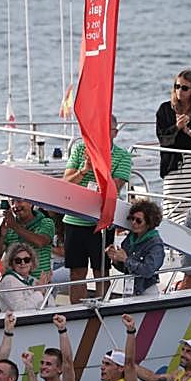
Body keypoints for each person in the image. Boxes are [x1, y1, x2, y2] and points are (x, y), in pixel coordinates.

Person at [62, 116, 133, 302]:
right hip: (74, 220)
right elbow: (67, 182)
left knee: (101, 271)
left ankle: (104, 308)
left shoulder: (123, 156)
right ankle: (77, 313)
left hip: (101, 221)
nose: (100, 132)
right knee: (76, 272)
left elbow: (113, 189)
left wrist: (100, 165)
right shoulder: (80, 149)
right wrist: (84, 170)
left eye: (106, 128)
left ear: (115, 133)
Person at [156, 69, 191, 226]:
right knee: (170, 210)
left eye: (184, 88)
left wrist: (189, 132)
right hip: (173, 167)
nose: (179, 91)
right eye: (177, 86)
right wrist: (176, 127)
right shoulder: (165, 109)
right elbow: (163, 139)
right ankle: (172, 247)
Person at [105, 200, 165, 296]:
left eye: (138, 220)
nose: (133, 223)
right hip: (129, 290)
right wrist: (116, 259)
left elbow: (148, 271)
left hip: (146, 291)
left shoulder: (155, 244)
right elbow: (126, 268)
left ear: (149, 223)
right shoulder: (130, 239)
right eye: (132, 219)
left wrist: (125, 259)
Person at [0, 198, 56, 274]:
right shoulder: (9, 226)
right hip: (14, 281)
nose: (15, 205)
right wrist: (1, 236)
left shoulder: (46, 222)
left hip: (39, 283)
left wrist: (14, 226)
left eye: (19, 201)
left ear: (31, 203)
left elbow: (40, 242)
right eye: (12, 202)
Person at [0, 242, 51, 312]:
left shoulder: (33, 280)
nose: (23, 263)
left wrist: (45, 291)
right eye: (18, 261)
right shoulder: (9, 281)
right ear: (11, 263)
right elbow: (20, 309)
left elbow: (51, 305)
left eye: (26, 260)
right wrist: (40, 292)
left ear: (32, 262)